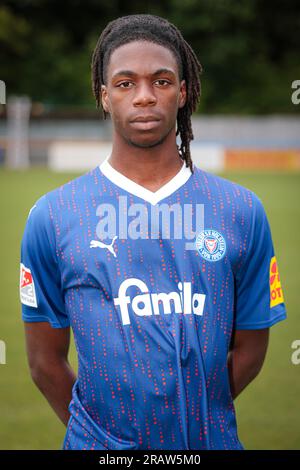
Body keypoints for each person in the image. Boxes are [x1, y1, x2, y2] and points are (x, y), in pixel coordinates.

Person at [20, 14, 287, 450]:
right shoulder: (52, 216)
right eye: (126, 84)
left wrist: (193, 416)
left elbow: (252, 348)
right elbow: (44, 362)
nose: (144, 96)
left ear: (182, 93)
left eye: (161, 81)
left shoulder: (240, 210)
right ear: (104, 97)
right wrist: (102, 436)